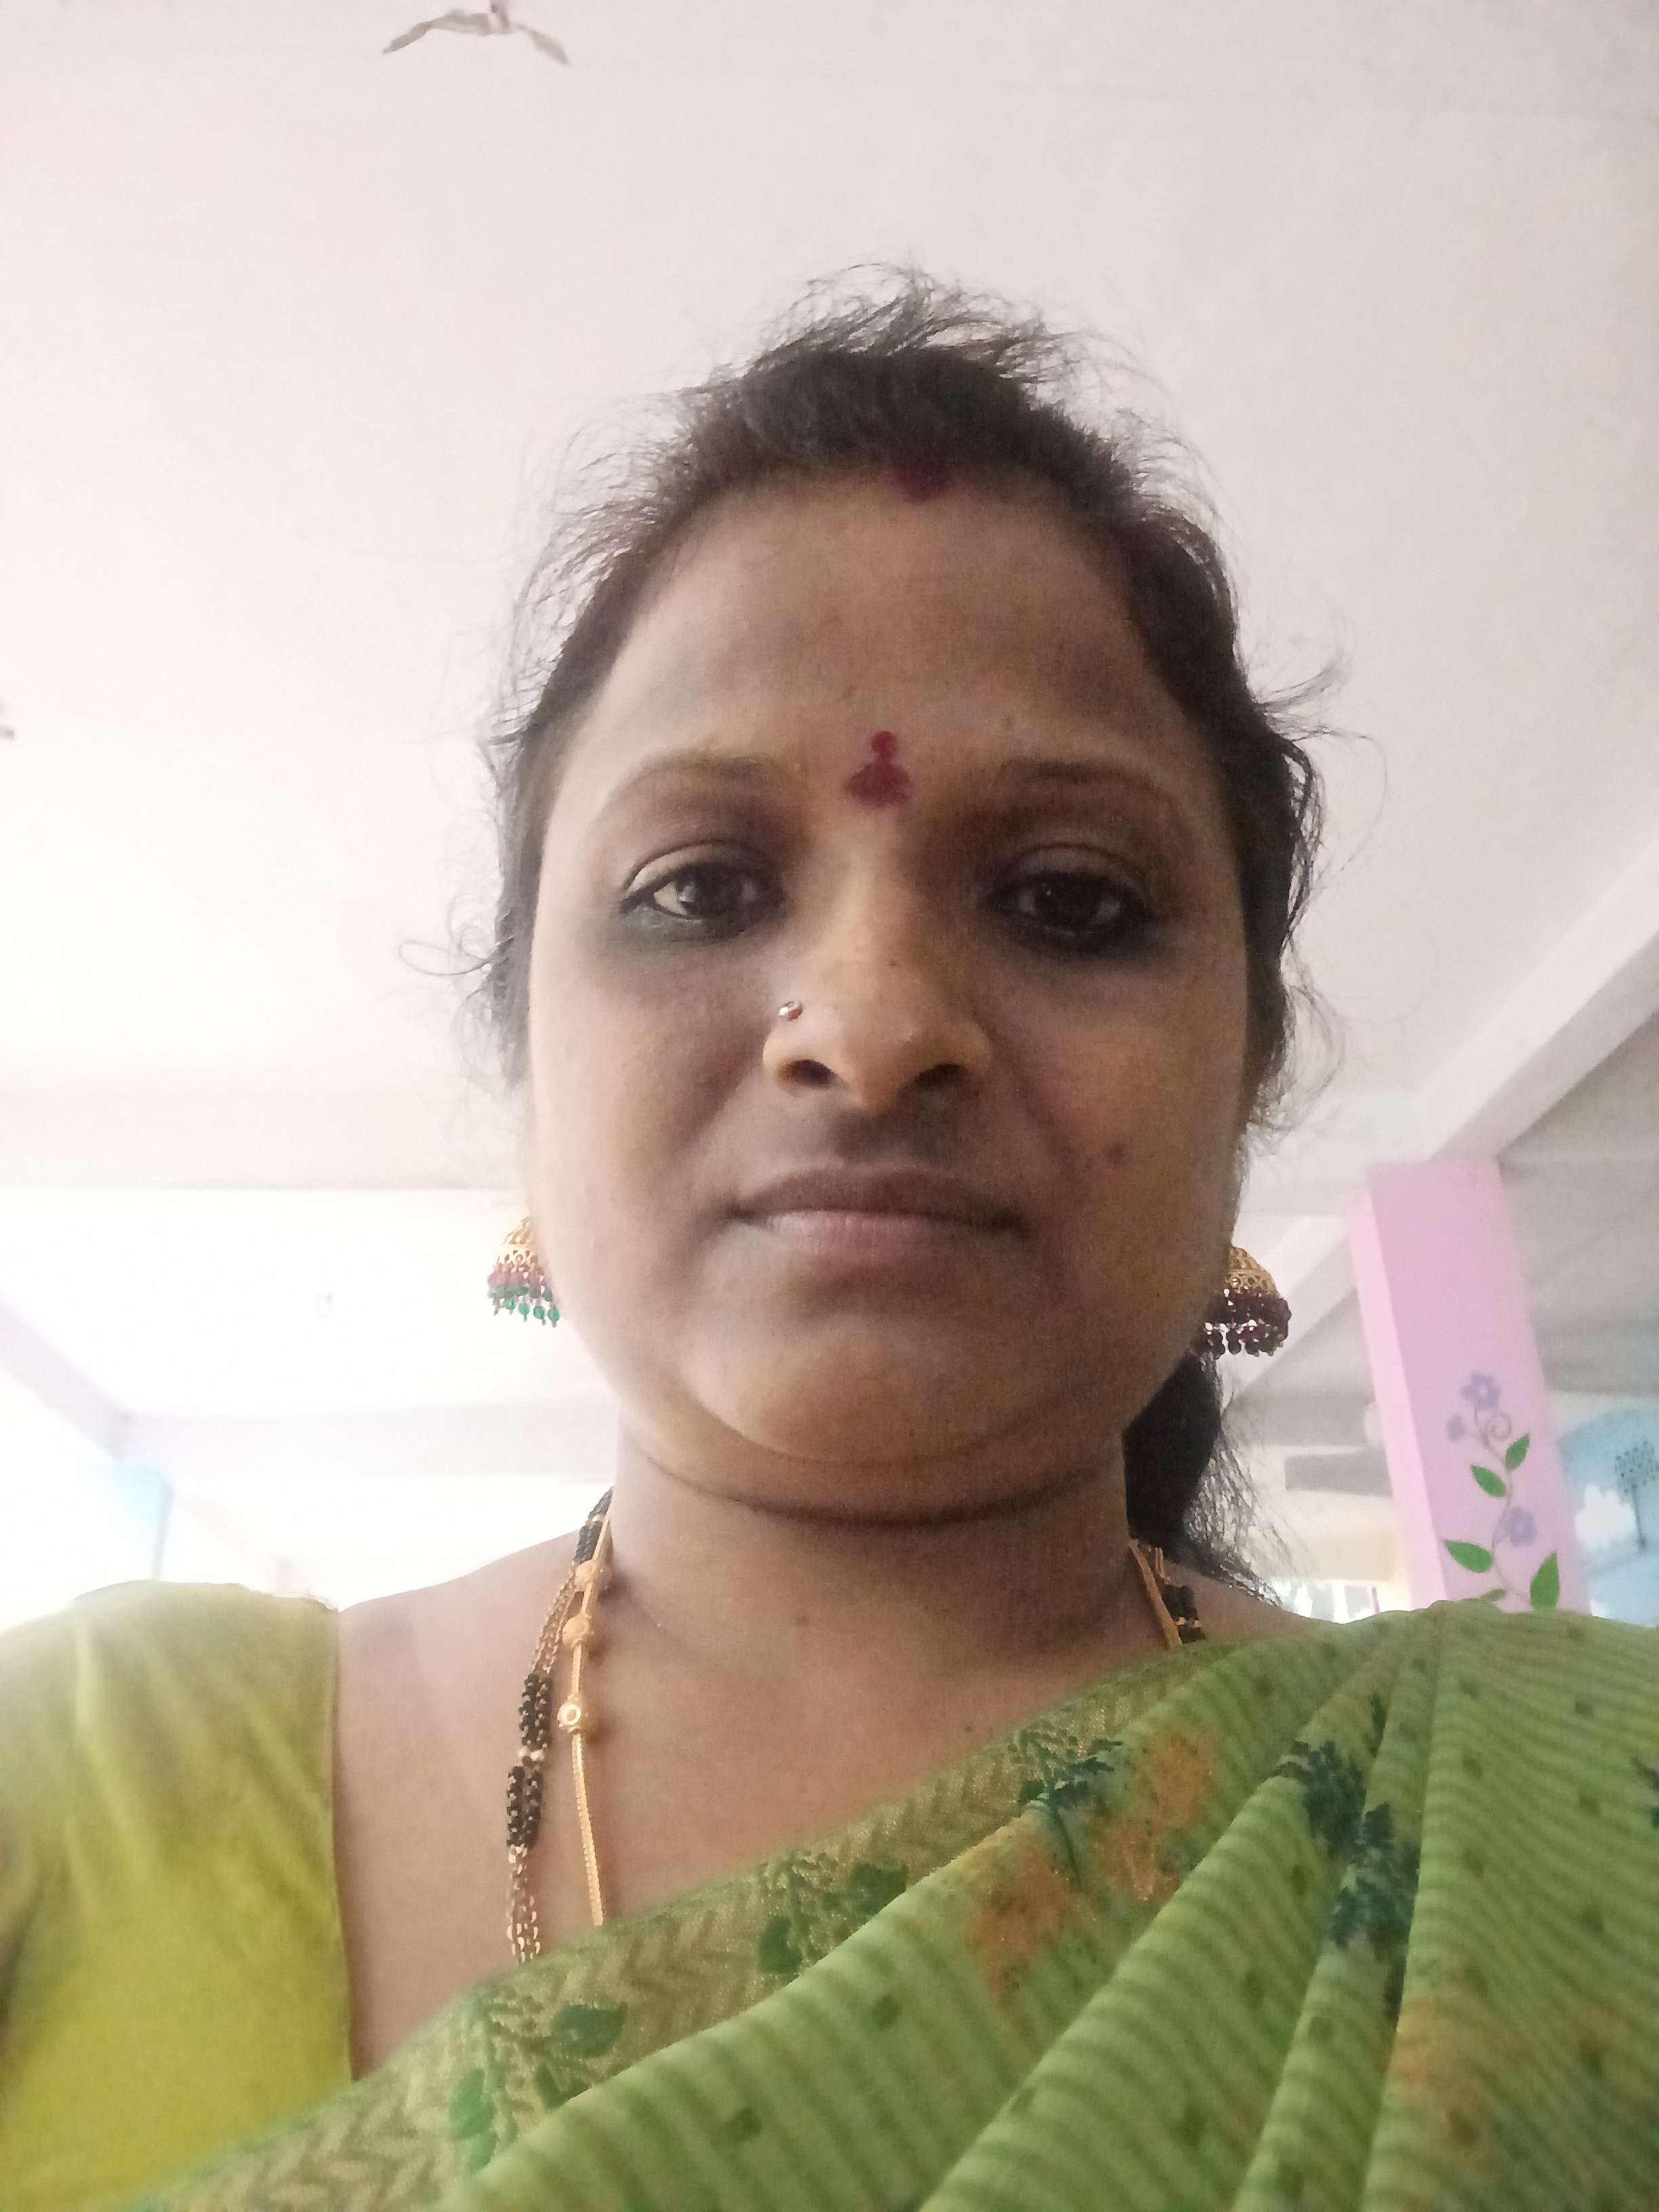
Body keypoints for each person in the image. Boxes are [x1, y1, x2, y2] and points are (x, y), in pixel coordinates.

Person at [1, 274, 1654, 2212]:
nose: (870, 1028)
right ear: (525, 1053)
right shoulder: (89, 1785)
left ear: (1252, 1071)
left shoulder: (1581, 1827)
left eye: (1069, 899)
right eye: (700, 888)